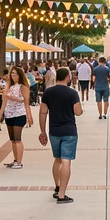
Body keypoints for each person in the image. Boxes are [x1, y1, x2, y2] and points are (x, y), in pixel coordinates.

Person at [38, 67, 82, 204]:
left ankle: (57, 187)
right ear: (68, 78)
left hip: (54, 131)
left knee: (57, 159)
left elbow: (43, 112)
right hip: (69, 131)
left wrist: (42, 131)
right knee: (66, 161)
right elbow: (78, 112)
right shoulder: (72, 93)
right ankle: (62, 194)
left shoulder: (48, 92)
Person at [0, 65, 33, 168]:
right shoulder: (8, 86)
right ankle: (15, 159)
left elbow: (25, 101)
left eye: (15, 74)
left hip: (19, 113)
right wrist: (1, 112)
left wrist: (29, 116)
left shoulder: (23, 87)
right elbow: (4, 100)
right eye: (12, 74)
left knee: (18, 138)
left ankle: (19, 161)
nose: (13, 76)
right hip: (9, 113)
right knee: (13, 139)